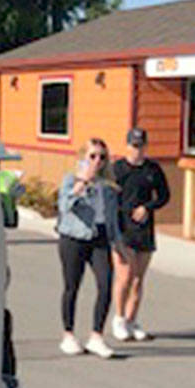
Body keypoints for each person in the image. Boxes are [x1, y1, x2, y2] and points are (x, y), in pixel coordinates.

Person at [56, 137, 118, 358]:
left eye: (102, 157)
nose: (97, 161)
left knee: (106, 283)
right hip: (73, 236)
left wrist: (117, 242)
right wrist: (81, 184)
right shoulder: (70, 179)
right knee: (72, 285)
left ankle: (97, 336)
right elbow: (64, 206)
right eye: (92, 156)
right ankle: (68, 334)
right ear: (83, 157)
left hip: (99, 238)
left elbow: (112, 217)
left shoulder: (108, 185)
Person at [111, 126, 170, 341]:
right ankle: (118, 318)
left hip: (144, 228)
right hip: (122, 228)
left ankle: (131, 320)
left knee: (138, 279)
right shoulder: (117, 169)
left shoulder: (152, 169)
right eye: (134, 146)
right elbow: (109, 196)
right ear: (127, 146)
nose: (138, 150)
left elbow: (164, 196)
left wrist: (148, 207)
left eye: (141, 146)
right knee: (125, 276)